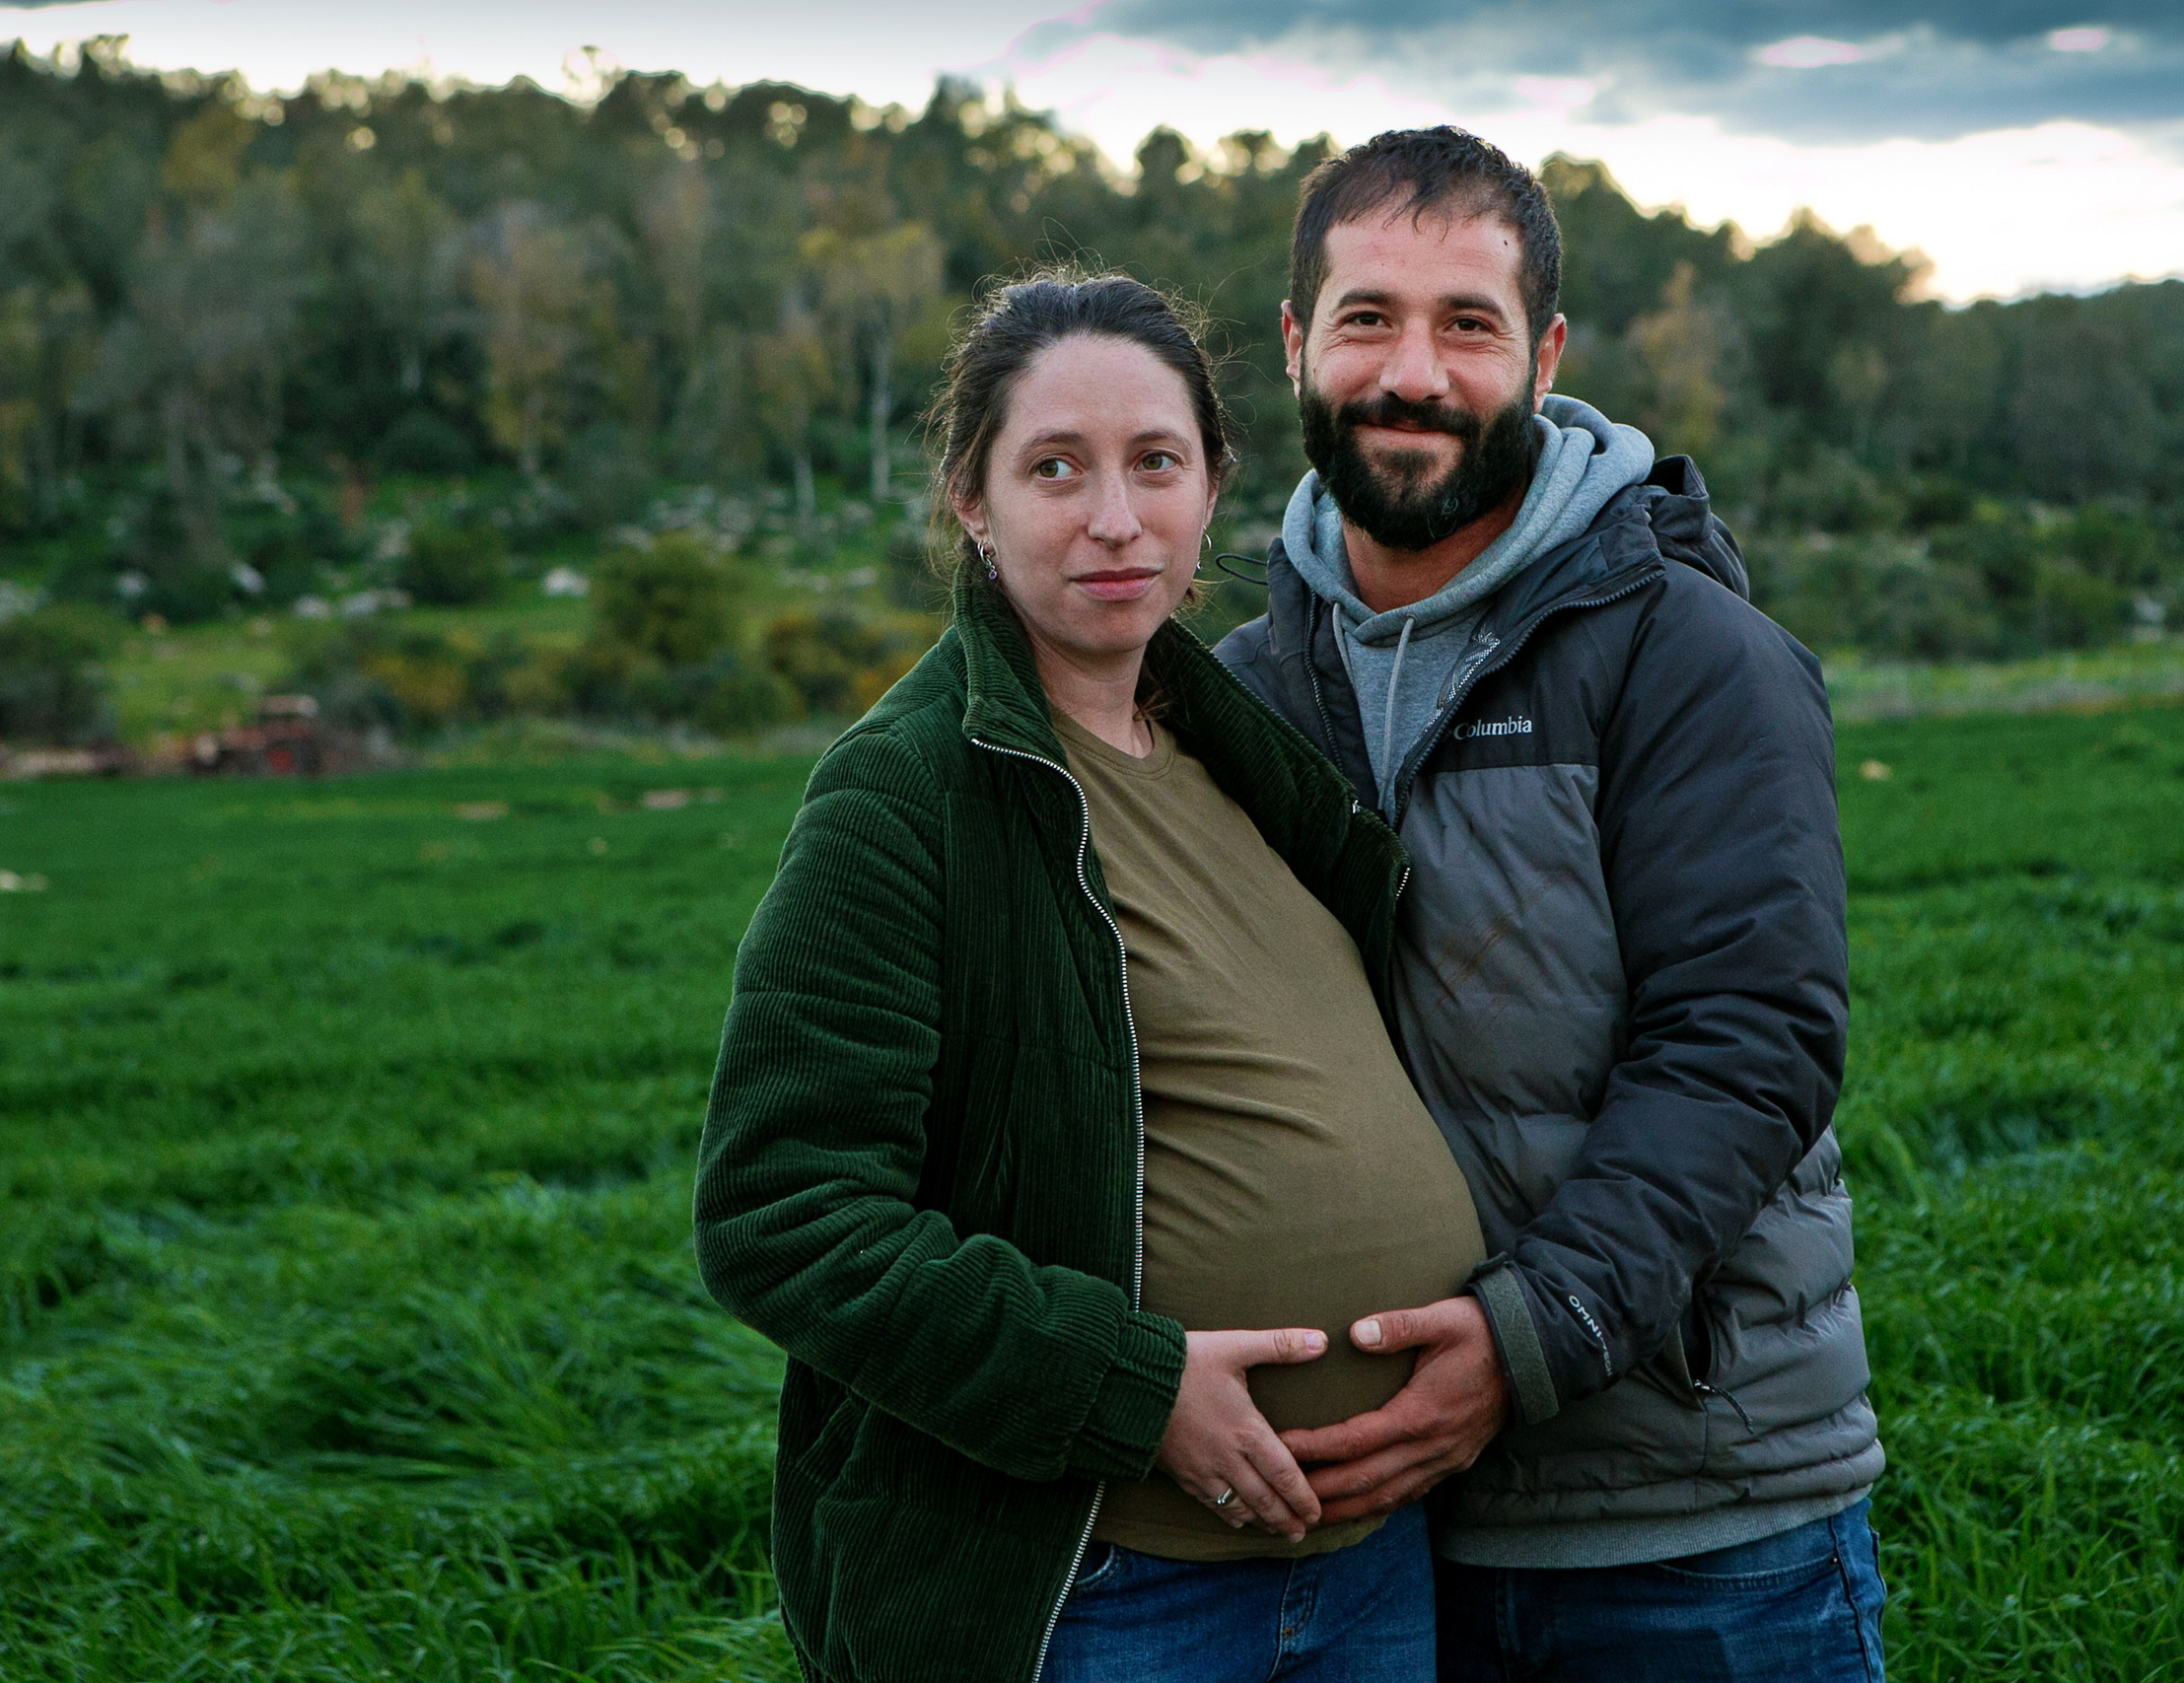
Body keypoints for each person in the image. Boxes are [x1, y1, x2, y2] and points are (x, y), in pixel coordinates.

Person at [692, 271, 1486, 1683]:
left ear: (1209, 493)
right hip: (1109, 1595)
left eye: (1154, 464)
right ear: (972, 503)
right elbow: (781, 1213)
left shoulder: (1250, 759)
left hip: (1367, 1570)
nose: (1114, 518)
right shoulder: (909, 794)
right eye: (1055, 467)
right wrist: (1131, 1391)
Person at [1216, 128, 1886, 1681]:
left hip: (1691, 1524)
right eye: (1370, 317)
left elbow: (1751, 1040)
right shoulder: (1242, 690)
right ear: (1298, 344)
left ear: (1547, 353)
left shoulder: (1684, 653)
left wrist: (1530, 1342)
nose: (1415, 372)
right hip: (1365, 1541)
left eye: (1470, 325)